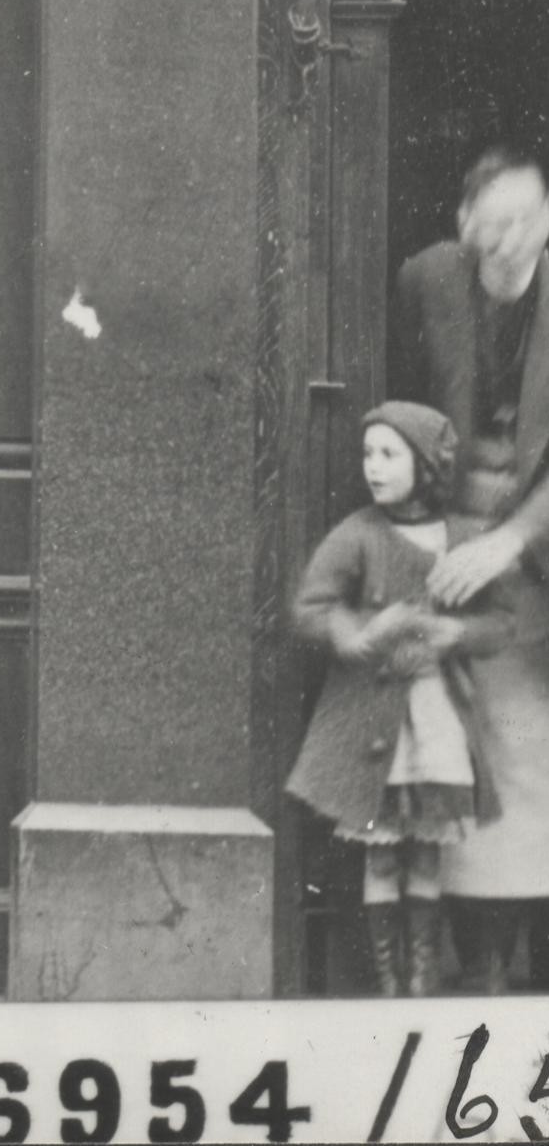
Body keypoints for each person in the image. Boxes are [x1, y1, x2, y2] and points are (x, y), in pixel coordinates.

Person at [287, 400, 509, 995]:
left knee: (428, 852)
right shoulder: (358, 534)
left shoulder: (462, 538)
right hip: (372, 724)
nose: (373, 468)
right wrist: (361, 632)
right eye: (367, 454)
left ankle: (422, 977)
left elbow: (500, 622)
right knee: (381, 853)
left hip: (436, 718)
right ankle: (388, 981)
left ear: (427, 466)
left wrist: (455, 633)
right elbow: (310, 611)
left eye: (389, 454)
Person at [398, 145, 549, 989]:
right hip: (449, 549)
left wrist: (512, 538)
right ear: (463, 225)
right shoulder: (425, 280)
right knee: (459, 753)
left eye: (526, 218)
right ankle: (477, 964)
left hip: (537, 549)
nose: (509, 240)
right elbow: (397, 407)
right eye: (491, 222)